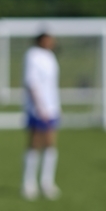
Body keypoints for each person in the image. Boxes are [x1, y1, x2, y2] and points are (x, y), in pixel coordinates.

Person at [22, 33, 61, 200]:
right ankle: (28, 182)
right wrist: (39, 106)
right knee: (35, 143)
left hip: (52, 107)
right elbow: (32, 82)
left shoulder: (50, 56)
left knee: (51, 143)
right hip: (38, 109)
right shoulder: (32, 55)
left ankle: (47, 182)